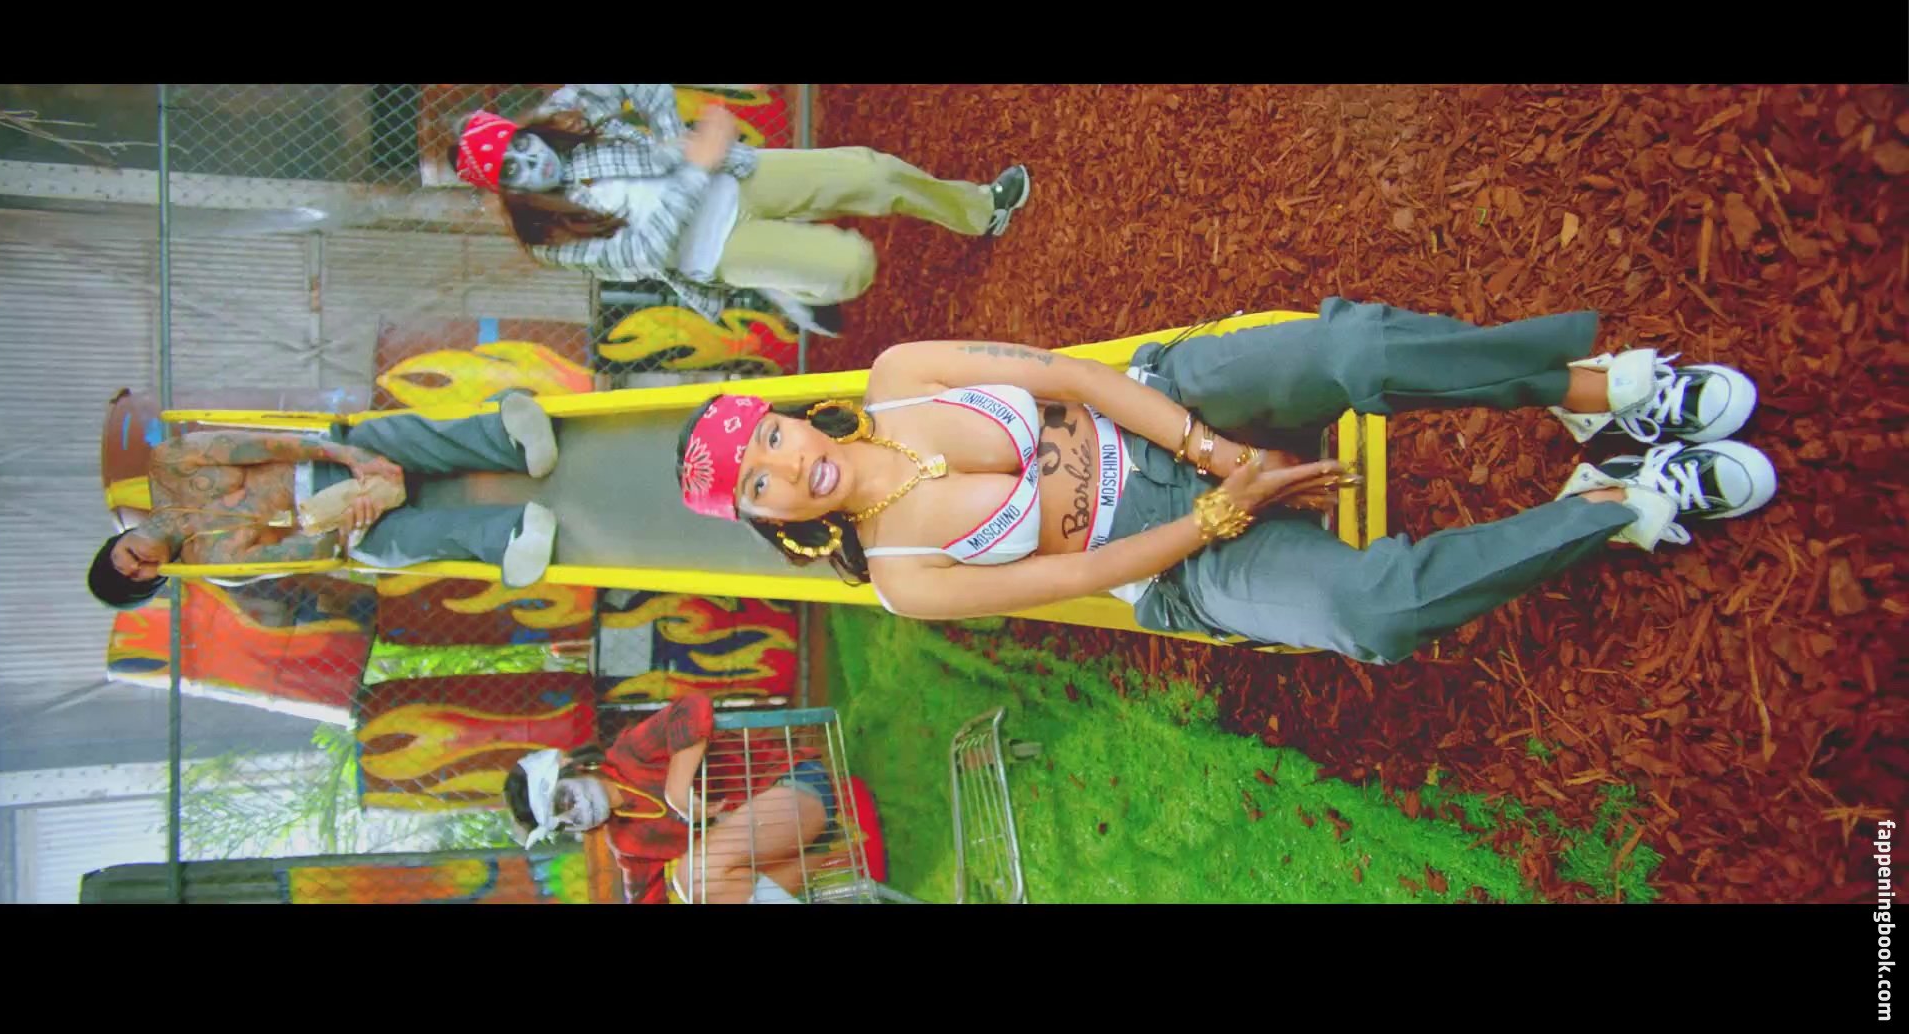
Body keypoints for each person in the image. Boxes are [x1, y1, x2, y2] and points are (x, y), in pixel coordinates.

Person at [672, 297, 1776, 664]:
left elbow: (1074, 377)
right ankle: (1606, 508)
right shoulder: (903, 579)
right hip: (1174, 561)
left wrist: (1209, 450)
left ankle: (1589, 389)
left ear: (783, 416)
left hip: (1163, 405)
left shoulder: (901, 374)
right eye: (760, 488)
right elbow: (1081, 576)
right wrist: (1221, 510)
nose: (785, 466)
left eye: (767, 440)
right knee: (1367, 617)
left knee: (1352, 352)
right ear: (774, 524)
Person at [448, 83, 1030, 333]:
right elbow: (648, 251)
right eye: (512, 171)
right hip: (718, 249)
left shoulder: (561, 119)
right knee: (852, 264)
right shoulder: (549, 240)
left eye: (518, 146)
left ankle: (982, 209)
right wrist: (694, 164)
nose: (530, 161)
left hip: (738, 177)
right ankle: (789, 289)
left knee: (871, 173)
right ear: (505, 192)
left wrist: (671, 132)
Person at [87, 394, 563, 610]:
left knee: (383, 435)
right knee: (390, 550)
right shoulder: (213, 562)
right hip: (343, 527)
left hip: (325, 461)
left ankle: (506, 437)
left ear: (119, 540)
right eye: (140, 576)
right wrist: (349, 520)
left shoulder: (171, 464)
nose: (140, 562)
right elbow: (303, 555)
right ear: (157, 581)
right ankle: (510, 536)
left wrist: (349, 455)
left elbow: (266, 444)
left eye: (126, 557)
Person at [503, 692, 836, 904]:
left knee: (691, 877)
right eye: (562, 825)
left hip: (794, 787)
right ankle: (840, 860)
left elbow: (692, 706)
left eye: (562, 802)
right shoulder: (628, 843)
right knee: (697, 890)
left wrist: (678, 788)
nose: (573, 816)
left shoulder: (630, 754)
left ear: (571, 767)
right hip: (796, 850)